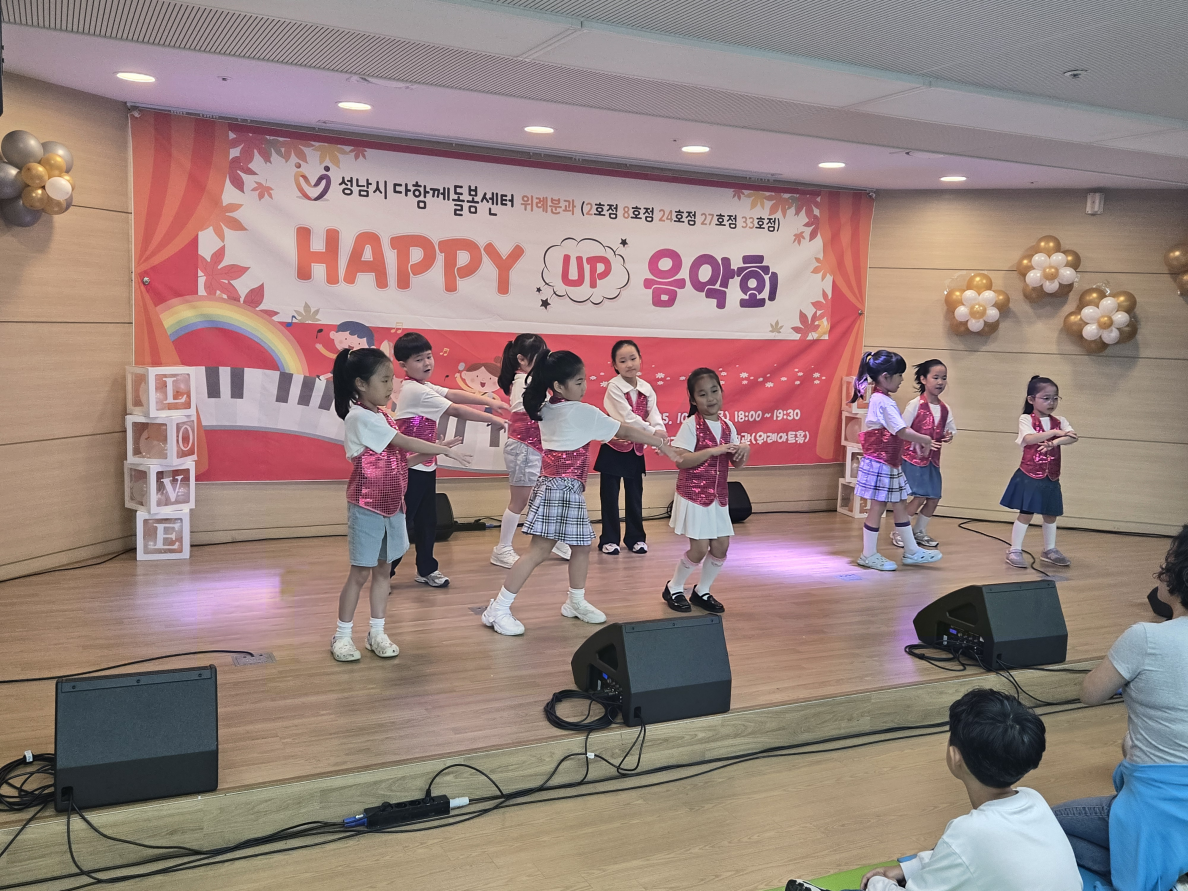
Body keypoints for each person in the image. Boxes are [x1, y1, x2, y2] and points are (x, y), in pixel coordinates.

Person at [785, 689, 1081, 891]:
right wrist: (908, 869)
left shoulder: (968, 833)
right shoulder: (1034, 801)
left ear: (955, 757)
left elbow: (963, 853)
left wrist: (878, 882)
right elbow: (966, 860)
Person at [481, 350, 678, 636]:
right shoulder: (582, 412)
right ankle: (498, 608)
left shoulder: (547, 407)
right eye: (578, 381)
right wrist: (660, 443)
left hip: (561, 488)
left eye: (585, 379)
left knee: (582, 547)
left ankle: (575, 601)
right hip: (560, 489)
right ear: (558, 386)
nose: (584, 386)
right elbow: (625, 431)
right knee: (538, 552)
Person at [1052, 525, 1188, 891]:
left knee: (1042, 826)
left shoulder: (1145, 637)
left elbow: (1090, 693)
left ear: (1175, 577)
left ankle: (1153, 872)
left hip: (1156, 807)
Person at [329, 348, 469, 662]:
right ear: (361, 384)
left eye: (391, 379)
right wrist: (440, 450)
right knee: (360, 574)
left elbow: (399, 461)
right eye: (384, 380)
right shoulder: (359, 417)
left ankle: (376, 632)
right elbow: (403, 442)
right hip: (367, 507)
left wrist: (434, 450)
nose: (391, 386)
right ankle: (342, 635)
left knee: (383, 571)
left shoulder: (382, 415)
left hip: (393, 506)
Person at [390, 331, 508, 588]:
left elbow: (453, 394)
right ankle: (384, 573)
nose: (427, 363)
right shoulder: (414, 390)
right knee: (404, 523)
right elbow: (454, 409)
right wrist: (492, 418)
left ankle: (426, 569)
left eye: (429, 356)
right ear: (403, 365)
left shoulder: (423, 386)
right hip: (410, 467)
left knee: (427, 521)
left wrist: (490, 403)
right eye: (419, 359)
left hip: (426, 464)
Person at [661, 368, 750, 614]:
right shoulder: (691, 425)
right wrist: (712, 451)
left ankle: (702, 591)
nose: (710, 398)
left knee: (721, 546)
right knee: (699, 548)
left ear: (721, 391)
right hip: (694, 495)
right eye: (702, 394)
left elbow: (737, 464)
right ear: (693, 399)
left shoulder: (728, 426)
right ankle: (674, 587)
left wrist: (744, 451)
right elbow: (681, 460)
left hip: (718, 497)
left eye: (714, 391)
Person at [851, 350, 943, 571]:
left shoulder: (881, 399)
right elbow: (901, 430)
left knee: (900, 503)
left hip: (888, 462)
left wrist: (915, 441)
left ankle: (911, 550)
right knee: (878, 506)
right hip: (881, 462)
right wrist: (924, 439)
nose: (902, 379)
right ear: (885, 376)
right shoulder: (883, 401)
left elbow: (897, 432)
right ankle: (868, 554)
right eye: (899, 375)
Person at [491, 333, 571, 568]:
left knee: (544, 495)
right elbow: (530, 413)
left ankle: (552, 539)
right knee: (519, 501)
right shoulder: (523, 382)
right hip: (524, 448)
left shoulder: (532, 381)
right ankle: (502, 548)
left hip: (535, 449)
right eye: (539, 357)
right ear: (522, 359)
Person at [595, 339, 668, 555]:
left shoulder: (646, 388)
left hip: (636, 451)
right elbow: (627, 417)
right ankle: (609, 539)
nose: (629, 364)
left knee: (635, 495)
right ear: (615, 365)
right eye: (623, 361)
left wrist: (660, 433)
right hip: (614, 448)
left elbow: (654, 414)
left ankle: (636, 538)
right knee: (610, 496)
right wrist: (653, 433)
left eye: (633, 358)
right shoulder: (614, 387)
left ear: (640, 359)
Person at [999, 375, 1078, 569]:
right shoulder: (1026, 419)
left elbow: (1073, 437)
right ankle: (1014, 550)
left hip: (1051, 476)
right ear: (1031, 399)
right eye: (1046, 398)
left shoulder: (1060, 420)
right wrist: (1054, 433)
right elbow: (1029, 438)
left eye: (1055, 398)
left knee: (1051, 514)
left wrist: (1054, 442)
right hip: (1030, 475)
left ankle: (1049, 550)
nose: (1051, 402)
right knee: (1026, 513)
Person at [895, 359, 955, 550]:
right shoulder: (915, 405)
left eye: (943, 378)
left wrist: (948, 436)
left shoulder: (945, 408)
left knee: (934, 497)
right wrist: (920, 440)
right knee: (919, 496)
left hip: (933, 461)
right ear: (923, 379)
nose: (940, 382)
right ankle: (899, 532)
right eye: (935, 377)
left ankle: (918, 531)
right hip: (913, 459)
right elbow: (902, 429)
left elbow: (950, 430)